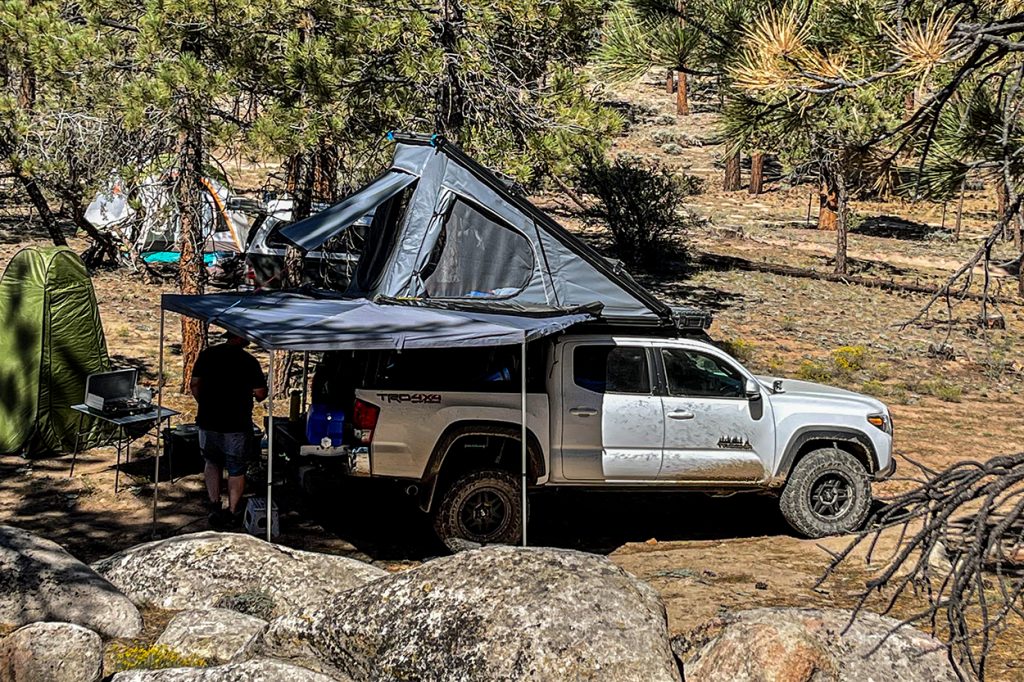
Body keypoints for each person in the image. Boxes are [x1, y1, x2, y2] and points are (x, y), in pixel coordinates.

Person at [190, 330, 268, 528]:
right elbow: (260, 394)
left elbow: (194, 384)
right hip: (237, 423)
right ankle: (233, 510)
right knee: (236, 468)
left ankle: (215, 504)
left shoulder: (208, 355)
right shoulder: (249, 361)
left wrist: (204, 403)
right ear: (241, 338)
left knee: (212, 462)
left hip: (208, 420)